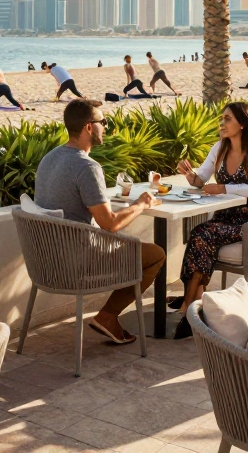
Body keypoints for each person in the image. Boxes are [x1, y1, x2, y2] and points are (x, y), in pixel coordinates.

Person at [34, 99, 163, 344]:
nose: (106, 126)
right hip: (79, 262)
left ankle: (108, 318)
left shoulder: (48, 159)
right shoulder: (87, 166)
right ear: (89, 128)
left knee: (128, 245)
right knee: (155, 254)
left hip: (45, 260)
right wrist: (141, 204)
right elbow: (110, 224)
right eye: (103, 122)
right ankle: (107, 316)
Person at [170, 102, 248, 338]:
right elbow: (201, 179)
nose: (222, 123)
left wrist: (224, 187)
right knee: (201, 234)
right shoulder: (220, 148)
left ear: (242, 124)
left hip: (246, 221)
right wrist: (189, 174)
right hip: (222, 217)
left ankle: (188, 306)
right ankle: (196, 303)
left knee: (201, 234)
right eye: (222, 118)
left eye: (227, 119)